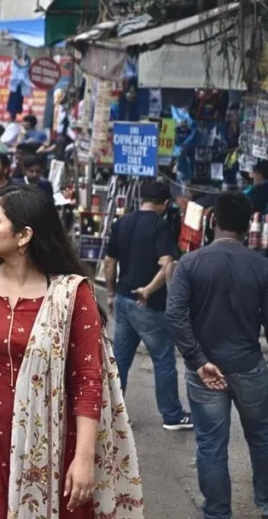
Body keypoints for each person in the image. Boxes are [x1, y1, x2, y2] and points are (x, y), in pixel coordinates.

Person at [0, 184, 142, 517]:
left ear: (24, 235)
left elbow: (87, 379)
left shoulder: (72, 294)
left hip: (48, 440)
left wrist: (84, 456)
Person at [167, 192, 268, 519]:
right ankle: (265, 502)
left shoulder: (190, 263)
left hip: (205, 371)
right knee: (262, 439)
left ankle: (217, 514)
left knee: (211, 447)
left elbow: (175, 316)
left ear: (213, 221)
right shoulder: (261, 266)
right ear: (247, 225)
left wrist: (198, 360)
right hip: (249, 366)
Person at [104, 181, 191, 431]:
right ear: (165, 204)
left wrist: (110, 294)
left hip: (122, 299)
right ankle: (172, 415)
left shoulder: (122, 222)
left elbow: (110, 262)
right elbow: (168, 264)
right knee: (163, 358)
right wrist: (149, 289)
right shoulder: (161, 226)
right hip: (149, 305)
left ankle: (112, 414)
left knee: (120, 359)